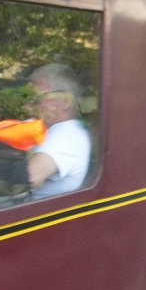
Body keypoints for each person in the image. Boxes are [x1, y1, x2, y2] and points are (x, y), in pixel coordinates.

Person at [27, 63, 91, 196]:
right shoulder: (46, 128)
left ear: (66, 101)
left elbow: (29, 178)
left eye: (38, 97)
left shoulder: (68, 134)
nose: (31, 103)